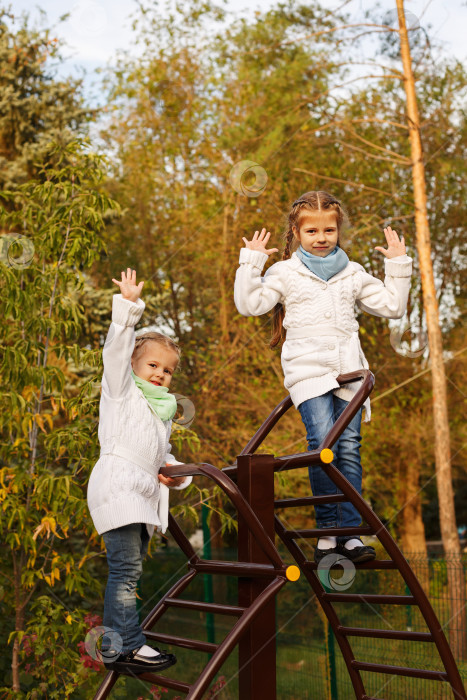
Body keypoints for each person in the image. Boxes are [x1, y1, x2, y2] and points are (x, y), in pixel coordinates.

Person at [234, 191, 412, 564]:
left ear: (338, 230)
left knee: (348, 449)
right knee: (323, 444)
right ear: (296, 232)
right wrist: (251, 263)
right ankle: (328, 532)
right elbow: (250, 305)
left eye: (329, 229)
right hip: (308, 370)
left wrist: (398, 264)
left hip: (348, 370)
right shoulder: (285, 272)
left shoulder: (353, 273)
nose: (321, 236)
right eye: (312, 229)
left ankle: (350, 535)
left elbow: (394, 307)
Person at [87, 268, 192, 675]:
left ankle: (117, 645)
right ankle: (128, 644)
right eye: (152, 365)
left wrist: (176, 475)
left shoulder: (161, 411)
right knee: (126, 571)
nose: (160, 374)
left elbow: (164, 457)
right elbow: (114, 350)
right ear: (134, 365)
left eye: (167, 371)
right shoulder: (121, 390)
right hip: (118, 486)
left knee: (128, 570)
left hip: (138, 492)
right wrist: (128, 307)